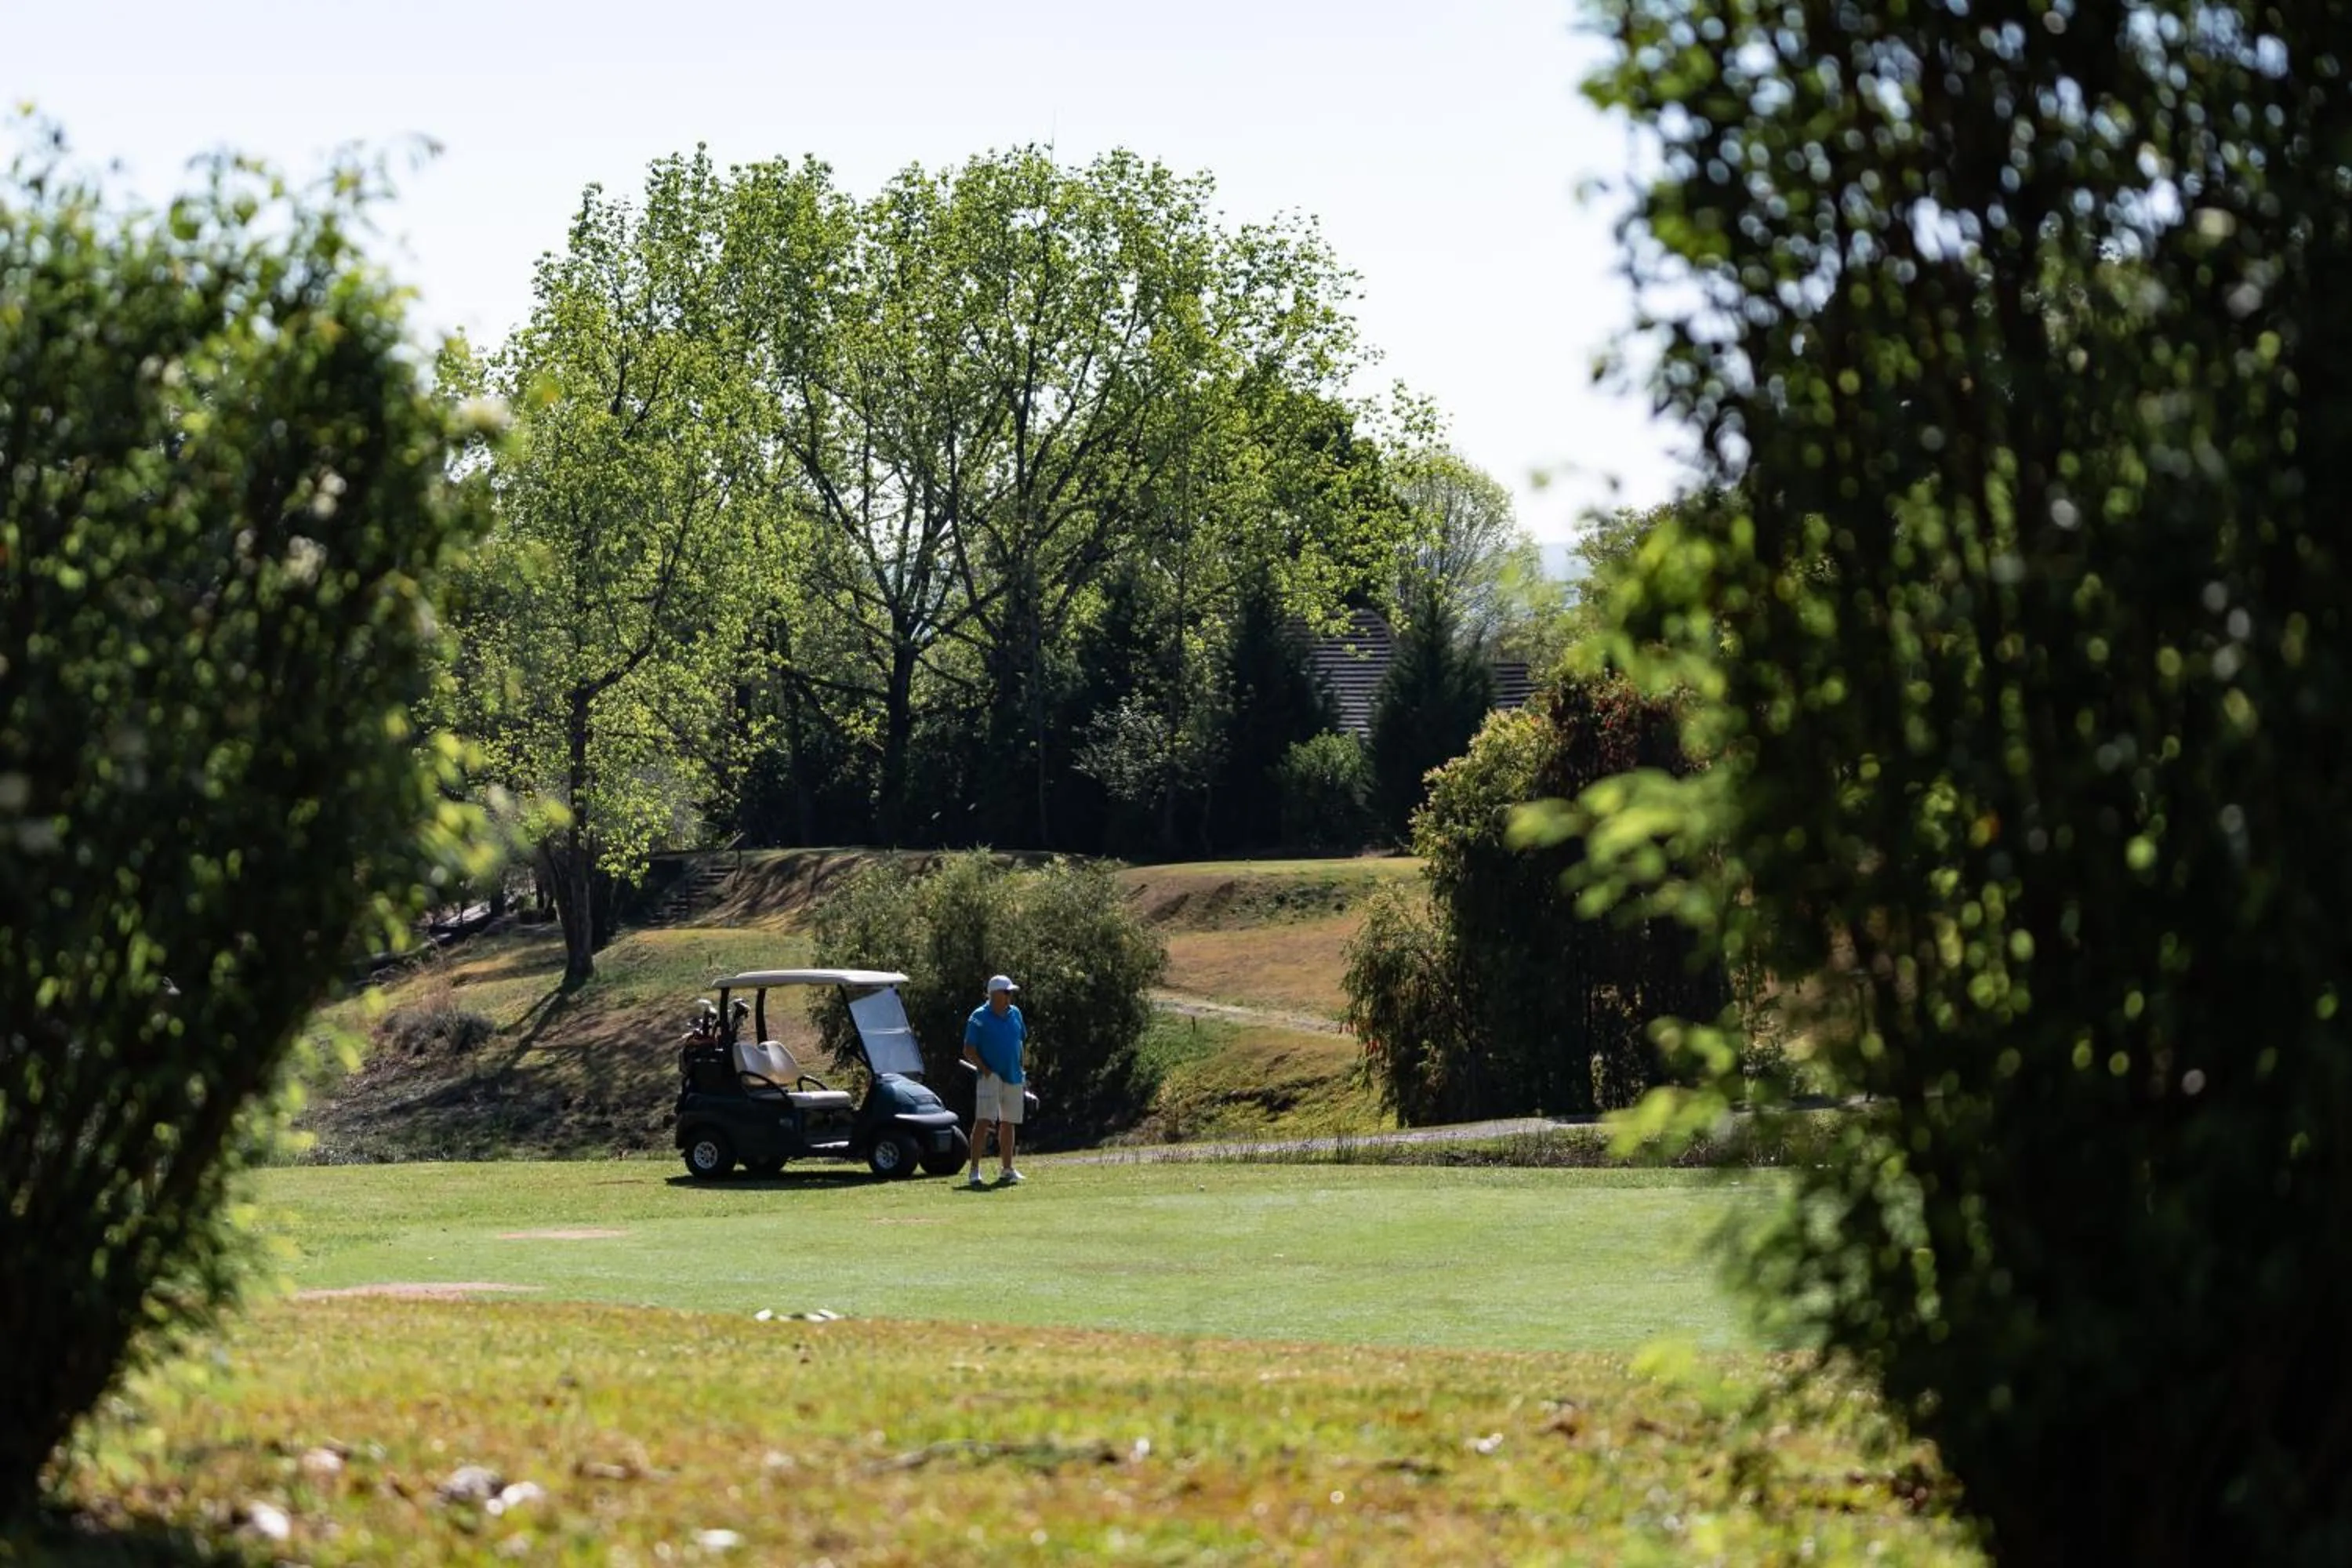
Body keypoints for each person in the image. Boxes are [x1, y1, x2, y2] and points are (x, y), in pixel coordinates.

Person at [962, 973, 1026, 1187]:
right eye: (1006, 992)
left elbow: (1020, 1042)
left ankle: (1007, 1169)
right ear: (995, 994)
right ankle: (974, 1171)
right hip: (991, 1076)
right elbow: (968, 1048)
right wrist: (984, 1069)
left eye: (1011, 993)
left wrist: (1021, 1067)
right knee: (984, 1120)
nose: (1010, 997)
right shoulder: (979, 1016)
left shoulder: (1015, 1013)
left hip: (1013, 1074)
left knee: (1009, 1122)